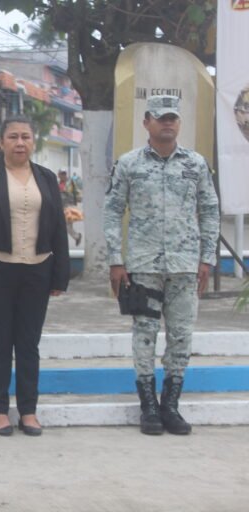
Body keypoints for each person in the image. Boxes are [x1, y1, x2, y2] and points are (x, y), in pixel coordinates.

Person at [104, 95, 219, 436]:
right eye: (160, 117)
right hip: (143, 266)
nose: (167, 122)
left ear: (178, 123)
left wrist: (207, 257)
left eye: (173, 118)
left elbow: (210, 211)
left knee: (181, 336)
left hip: (185, 266)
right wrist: (115, 260)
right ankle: (148, 406)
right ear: (146, 123)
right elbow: (112, 211)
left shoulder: (196, 164)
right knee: (145, 335)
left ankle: (170, 404)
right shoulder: (129, 164)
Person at [0, 115, 69, 437]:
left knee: (28, 344)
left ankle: (28, 410)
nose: (20, 142)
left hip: (37, 270)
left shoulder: (47, 178)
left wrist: (60, 276)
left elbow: (58, 229)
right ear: (2, 142)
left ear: (33, 142)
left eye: (25, 136)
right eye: (13, 137)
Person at [58, 170, 83, 246]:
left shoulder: (70, 183)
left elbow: (75, 193)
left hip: (69, 207)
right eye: (61, 174)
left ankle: (77, 236)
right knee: (60, 226)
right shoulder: (58, 183)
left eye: (64, 174)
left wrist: (65, 193)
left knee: (67, 226)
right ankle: (60, 242)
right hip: (61, 207)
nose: (63, 176)